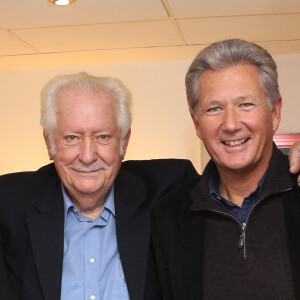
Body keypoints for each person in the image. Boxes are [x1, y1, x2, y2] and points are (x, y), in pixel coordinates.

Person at [0, 73, 199, 300]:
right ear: (49, 143)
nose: (87, 156)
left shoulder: (170, 187)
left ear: (124, 141)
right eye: (72, 137)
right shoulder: (8, 204)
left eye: (103, 136)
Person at [151, 39, 300, 300]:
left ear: (275, 112)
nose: (230, 124)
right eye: (214, 108)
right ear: (197, 123)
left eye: (245, 104)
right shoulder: (170, 216)